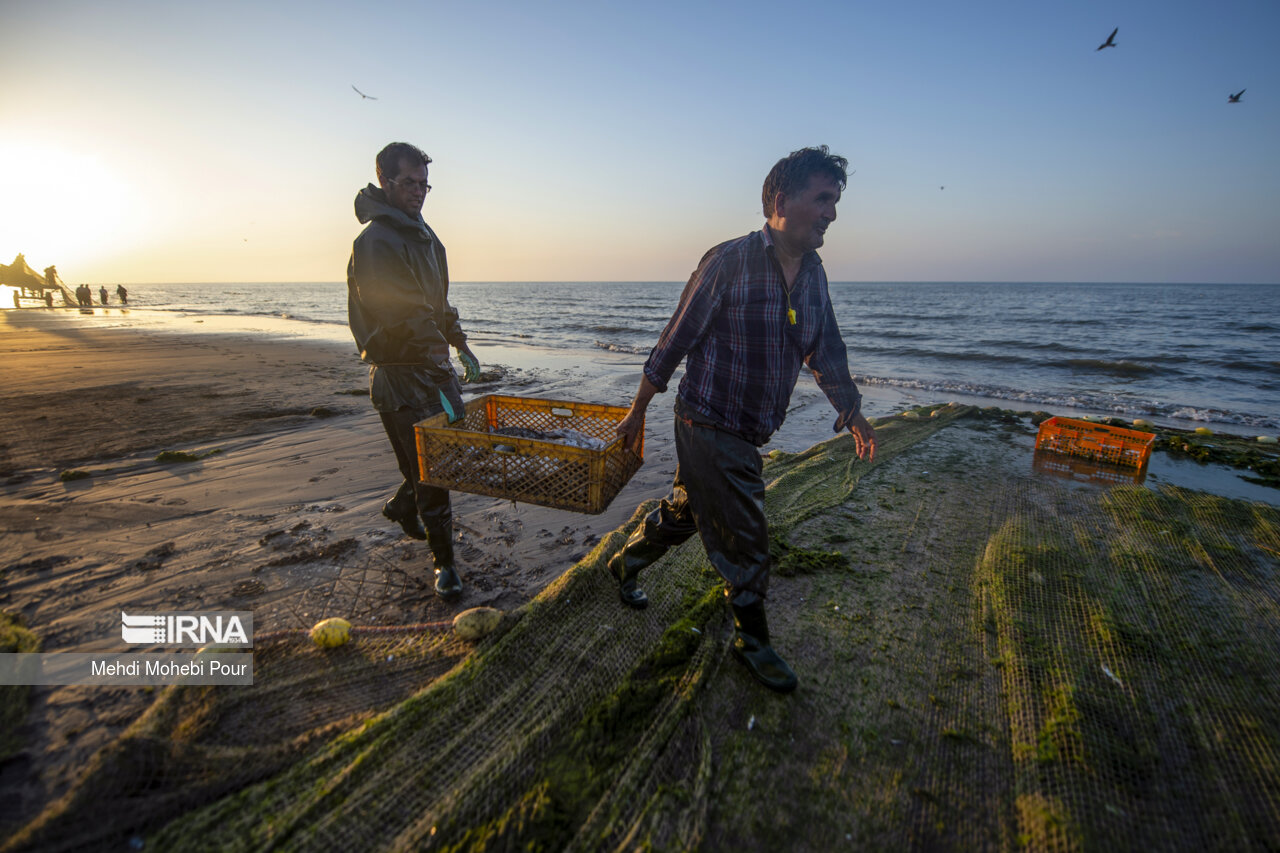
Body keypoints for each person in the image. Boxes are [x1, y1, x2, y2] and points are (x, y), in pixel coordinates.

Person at [610, 146, 877, 693]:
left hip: (750, 428)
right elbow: (675, 339)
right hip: (706, 420)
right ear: (781, 201)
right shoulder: (728, 262)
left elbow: (824, 347)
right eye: (822, 199)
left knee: (687, 512)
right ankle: (751, 641)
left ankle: (627, 562)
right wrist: (637, 410)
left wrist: (851, 411)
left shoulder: (813, 274)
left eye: (835, 202)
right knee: (747, 534)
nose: (832, 213)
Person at [347, 142, 482, 600]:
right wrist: (438, 354)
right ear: (384, 180)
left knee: (443, 459)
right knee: (431, 469)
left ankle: (403, 507)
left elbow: (437, 303)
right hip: (400, 375)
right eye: (410, 183)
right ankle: (445, 563)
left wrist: (460, 343)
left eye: (425, 184)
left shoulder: (427, 236)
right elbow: (401, 311)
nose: (419, 192)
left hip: (435, 369)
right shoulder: (374, 243)